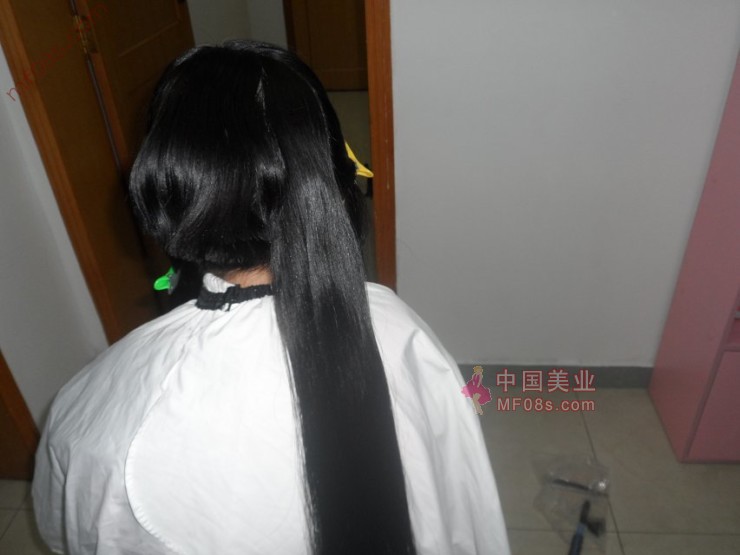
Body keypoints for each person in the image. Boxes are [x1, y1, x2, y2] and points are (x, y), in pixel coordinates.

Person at [32, 40, 511, 555]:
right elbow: (466, 514)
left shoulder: (96, 413)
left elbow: (68, 531)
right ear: (332, 180)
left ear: (169, 187)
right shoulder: (402, 333)